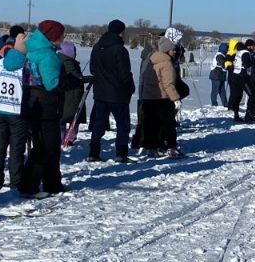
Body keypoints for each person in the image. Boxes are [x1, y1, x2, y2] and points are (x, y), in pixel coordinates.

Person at [19, 20, 69, 198]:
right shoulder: (48, 55)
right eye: (61, 35)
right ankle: (31, 185)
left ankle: (49, 183)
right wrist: (69, 81)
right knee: (47, 147)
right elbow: (52, 84)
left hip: (31, 102)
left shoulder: (31, 49)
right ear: (53, 36)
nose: (63, 38)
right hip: (46, 104)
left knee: (44, 145)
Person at [88, 19, 135, 163]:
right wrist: (130, 87)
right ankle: (121, 154)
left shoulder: (97, 47)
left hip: (100, 93)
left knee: (99, 124)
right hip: (118, 94)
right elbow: (124, 74)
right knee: (122, 125)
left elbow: (92, 69)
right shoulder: (120, 50)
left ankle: (93, 153)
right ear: (121, 32)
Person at [0, 34, 28, 190]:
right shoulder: (23, 66)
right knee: (16, 149)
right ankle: (16, 180)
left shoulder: (0, 64)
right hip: (16, 110)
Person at [139, 37, 183, 157]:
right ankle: (171, 147)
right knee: (168, 124)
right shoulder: (167, 63)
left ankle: (151, 148)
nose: (175, 52)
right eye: (173, 50)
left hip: (149, 97)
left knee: (151, 124)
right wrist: (175, 99)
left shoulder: (151, 60)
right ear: (167, 50)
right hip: (163, 98)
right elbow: (168, 84)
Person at [57, 40, 91, 147]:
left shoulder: (59, 60)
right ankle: (68, 139)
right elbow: (76, 77)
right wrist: (86, 78)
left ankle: (63, 137)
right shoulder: (68, 62)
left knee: (63, 118)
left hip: (65, 95)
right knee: (73, 118)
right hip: (72, 95)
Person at [210, 42, 229, 107]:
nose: (227, 50)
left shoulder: (223, 55)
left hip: (221, 75)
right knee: (215, 90)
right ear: (224, 49)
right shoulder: (219, 55)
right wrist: (228, 65)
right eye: (227, 49)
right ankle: (214, 104)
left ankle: (225, 104)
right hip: (216, 75)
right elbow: (223, 64)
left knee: (222, 91)